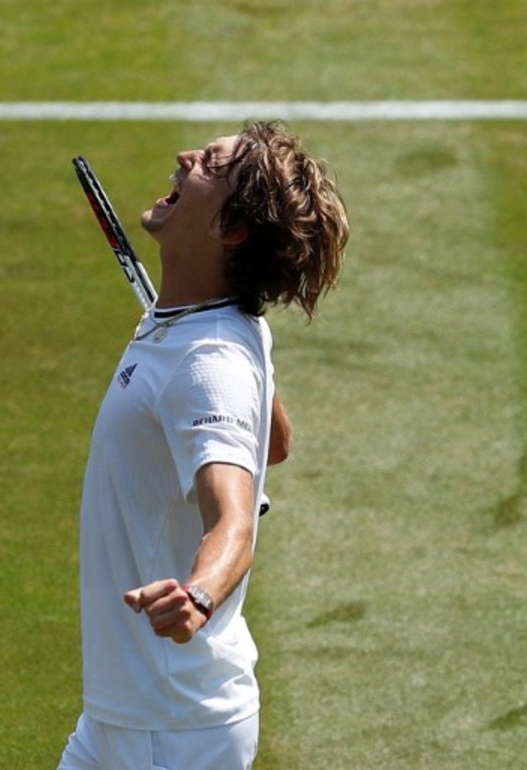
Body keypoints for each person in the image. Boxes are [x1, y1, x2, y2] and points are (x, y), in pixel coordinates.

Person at [58, 121, 349, 770]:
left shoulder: (206, 364)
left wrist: (198, 596)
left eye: (209, 165)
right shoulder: (227, 326)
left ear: (230, 228)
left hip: (171, 732)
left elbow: (234, 524)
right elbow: (274, 445)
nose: (184, 156)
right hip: (125, 715)